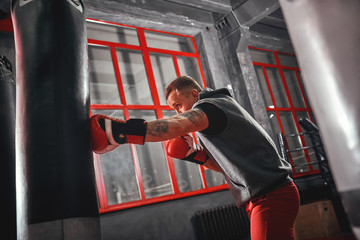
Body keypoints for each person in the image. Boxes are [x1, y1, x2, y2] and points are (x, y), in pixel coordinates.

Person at [90, 75, 300, 240]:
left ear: (193, 94)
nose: (177, 112)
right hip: (268, 195)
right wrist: (195, 156)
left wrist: (118, 131)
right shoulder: (219, 113)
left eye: (178, 105)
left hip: (272, 195)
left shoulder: (210, 108)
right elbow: (230, 168)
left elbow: (176, 125)